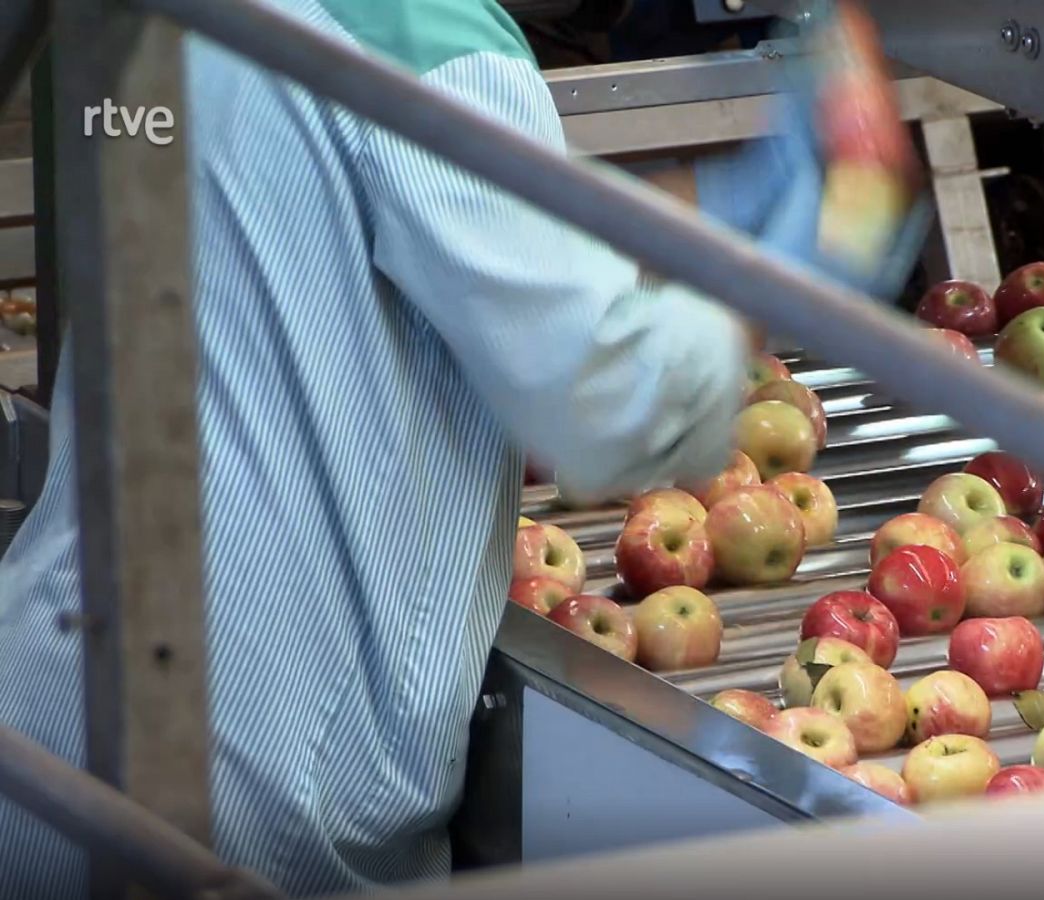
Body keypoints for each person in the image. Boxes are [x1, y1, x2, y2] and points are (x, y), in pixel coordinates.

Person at [0, 0, 911, 895]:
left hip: (50, 701)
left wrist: (688, 221)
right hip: (254, 779)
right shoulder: (427, 37)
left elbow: (377, 216)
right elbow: (612, 408)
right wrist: (810, 249)